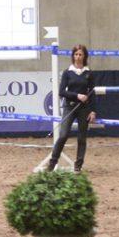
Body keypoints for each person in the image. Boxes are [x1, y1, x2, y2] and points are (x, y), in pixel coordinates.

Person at [47, 44, 97, 173]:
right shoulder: (67, 73)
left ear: (84, 56)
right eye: (76, 54)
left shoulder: (89, 73)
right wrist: (77, 96)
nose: (78, 57)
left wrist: (92, 110)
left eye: (80, 54)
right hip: (69, 107)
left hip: (83, 109)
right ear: (73, 56)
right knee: (63, 135)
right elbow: (61, 92)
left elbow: (92, 93)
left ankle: (78, 165)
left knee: (81, 138)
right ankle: (52, 163)